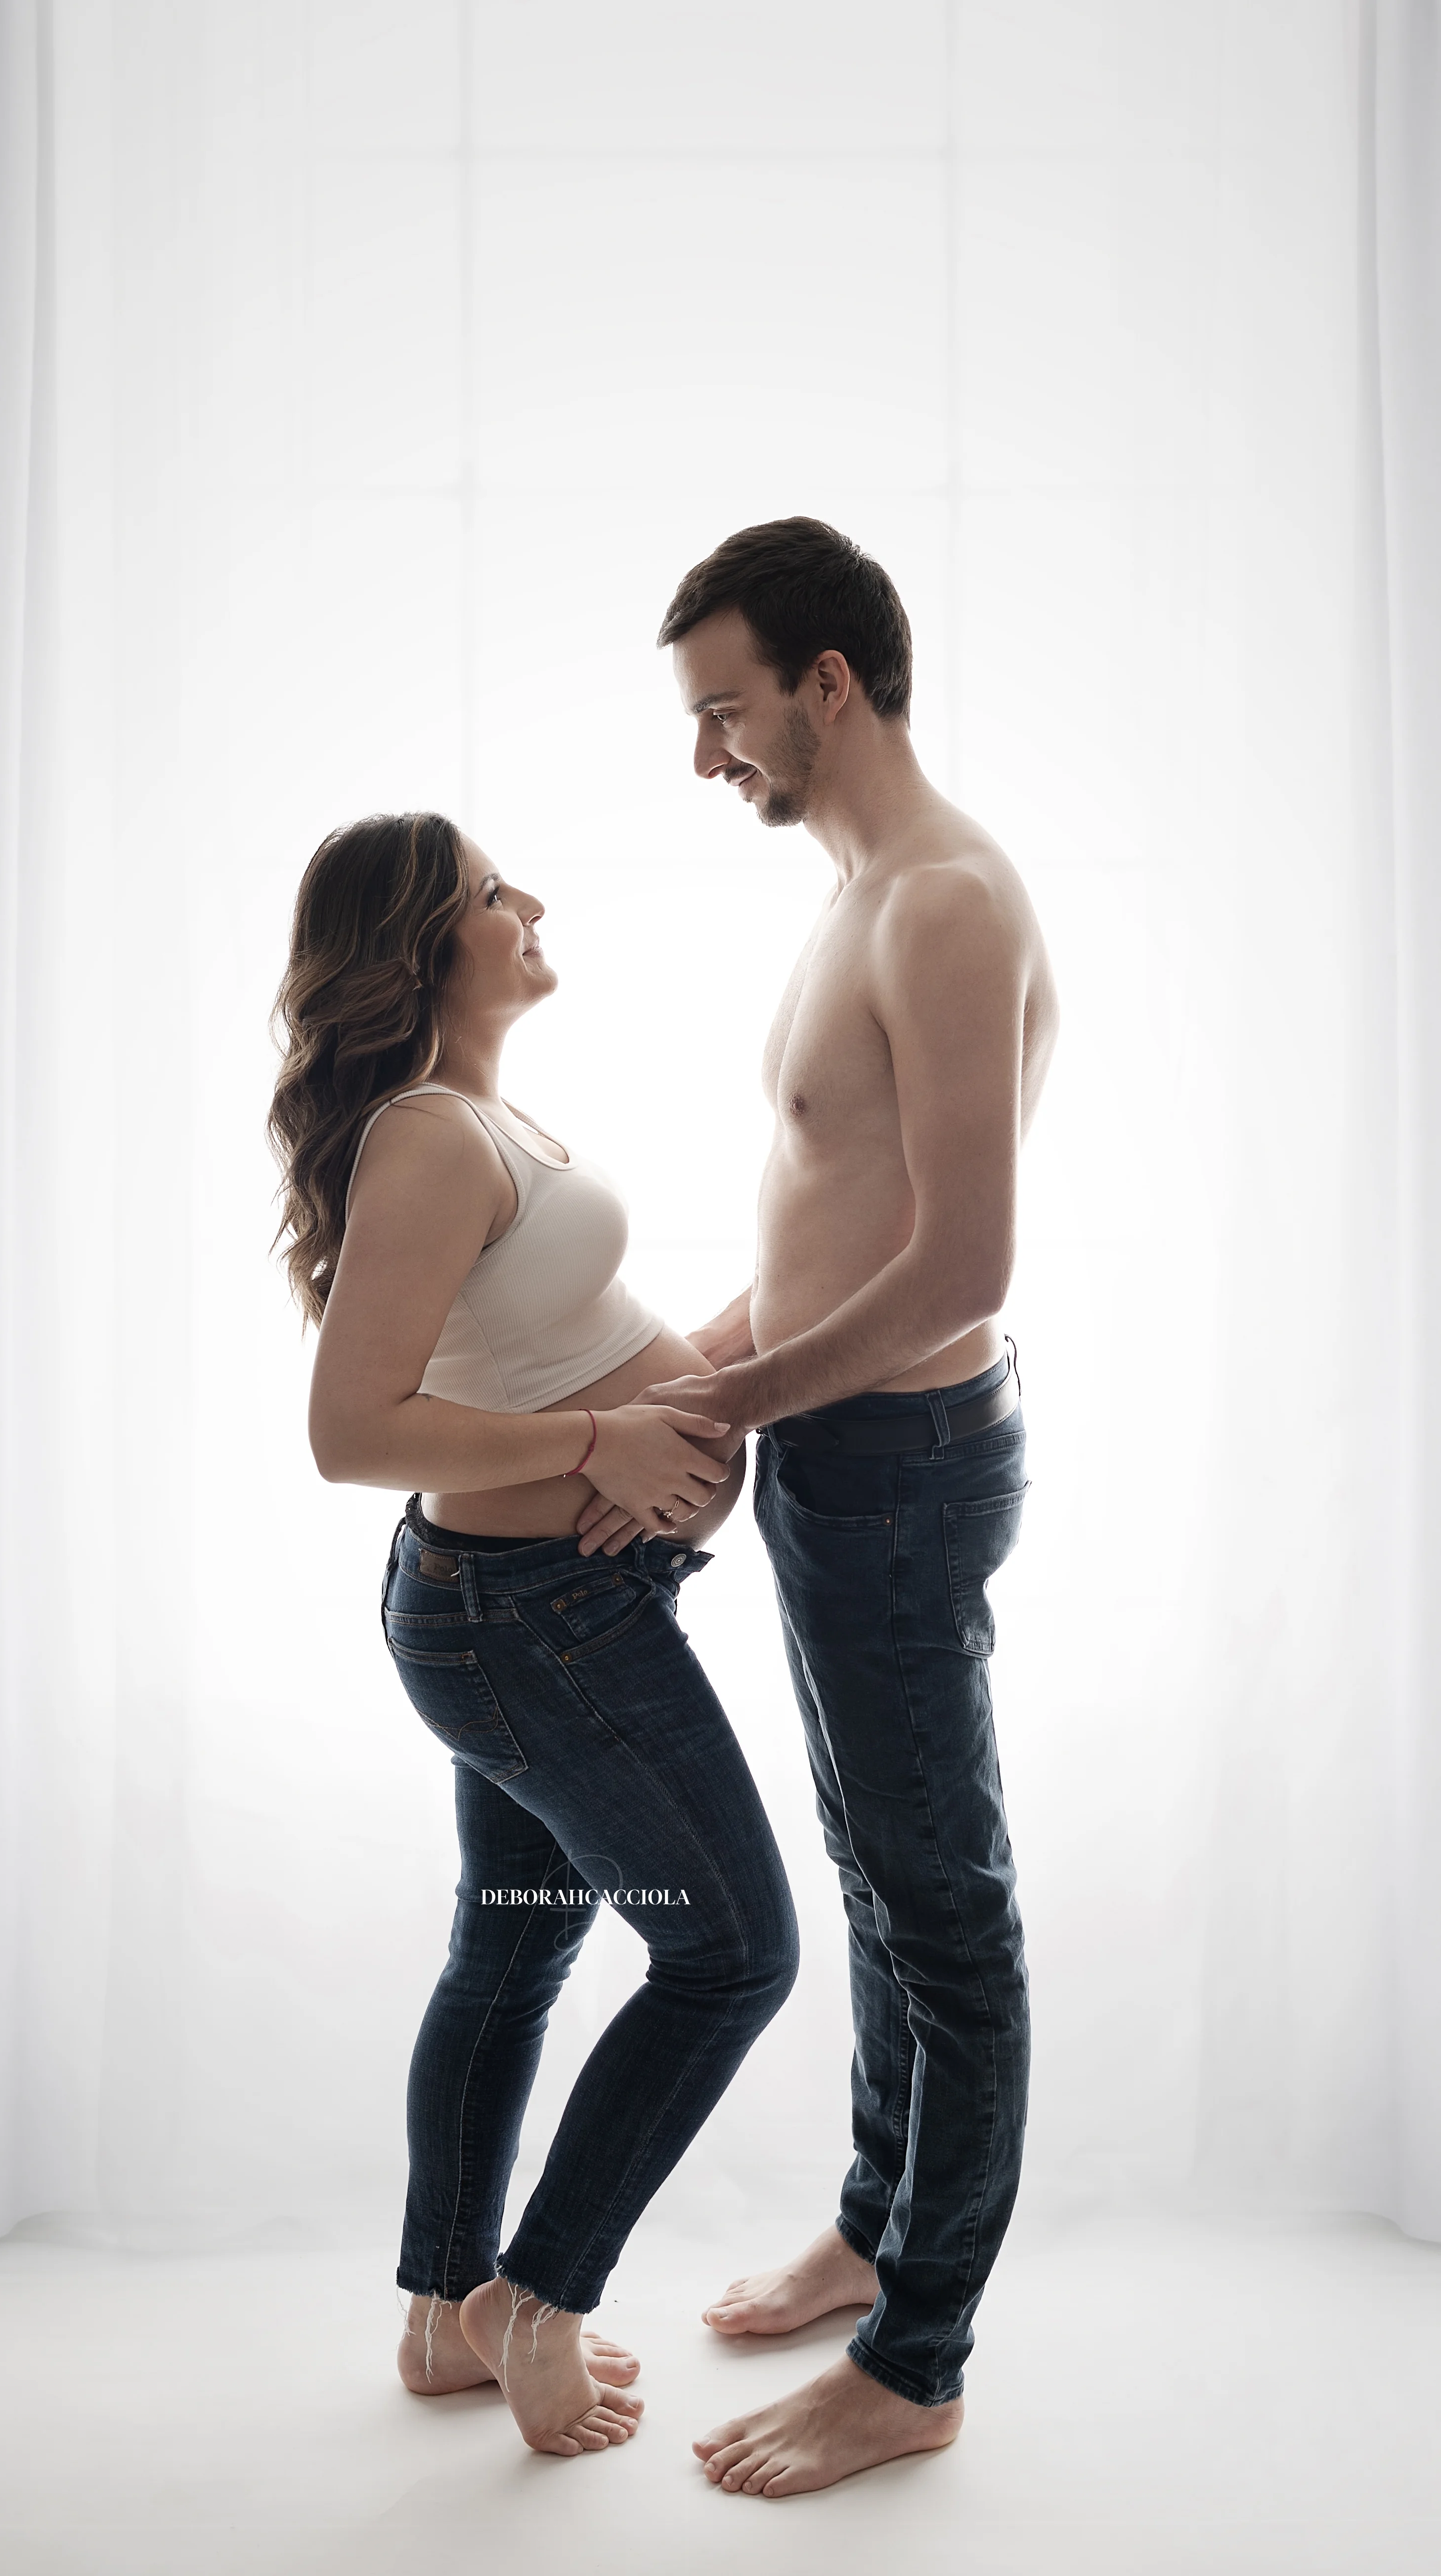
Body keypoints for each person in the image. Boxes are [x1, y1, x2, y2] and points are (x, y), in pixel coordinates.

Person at [577, 518, 1059, 2496]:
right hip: (836, 1459)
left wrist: (729, 1406)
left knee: (942, 1911)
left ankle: (919, 2355)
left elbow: (959, 1270)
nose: (710, 759)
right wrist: (676, 1378)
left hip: (897, 1470)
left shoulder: (941, 905)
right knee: (873, 1869)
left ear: (825, 683)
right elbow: (823, 1227)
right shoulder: (854, 895)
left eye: (723, 713)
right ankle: (877, 2224)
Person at [268, 811, 798, 2460]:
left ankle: (444, 2310)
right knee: (729, 1953)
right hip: (537, 1633)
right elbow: (353, 1431)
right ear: (428, 942)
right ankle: (539, 2298)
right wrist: (601, 1448)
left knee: (511, 1943)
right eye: (498, 893)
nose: (533, 904)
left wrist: (735, 1351)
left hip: (528, 1621)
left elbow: (552, 1337)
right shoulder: (428, 1137)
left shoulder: (482, 1117)